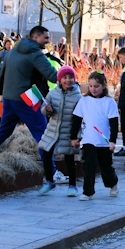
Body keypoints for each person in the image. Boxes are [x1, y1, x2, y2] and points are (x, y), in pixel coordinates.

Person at [0, 26, 58, 156]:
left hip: (9, 96)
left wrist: (2, 92)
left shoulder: (13, 51)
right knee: (42, 133)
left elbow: (1, 74)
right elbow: (52, 75)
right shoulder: (35, 54)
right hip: (28, 96)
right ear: (36, 37)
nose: (47, 41)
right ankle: (51, 171)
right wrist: (71, 79)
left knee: (3, 131)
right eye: (45, 37)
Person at [69, 71, 119, 200]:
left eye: (96, 86)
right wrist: (73, 137)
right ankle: (88, 192)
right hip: (88, 139)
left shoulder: (109, 102)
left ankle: (112, 183)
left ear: (103, 86)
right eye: (90, 86)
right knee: (89, 165)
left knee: (105, 166)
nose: (93, 89)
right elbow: (76, 120)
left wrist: (113, 140)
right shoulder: (84, 101)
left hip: (104, 140)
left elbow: (114, 123)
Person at [37, 65, 82, 196]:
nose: (68, 80)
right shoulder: (53, 93)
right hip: (52, 131)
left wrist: (77, 136)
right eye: (65, 77)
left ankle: (72, 185)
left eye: (71, 77)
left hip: (68, 133)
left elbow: (80, 118)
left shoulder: (78, 96)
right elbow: (43, 109)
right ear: (59, 79)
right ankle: (50, 181)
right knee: (46, 154)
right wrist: (47, 110)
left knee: (69, 158)